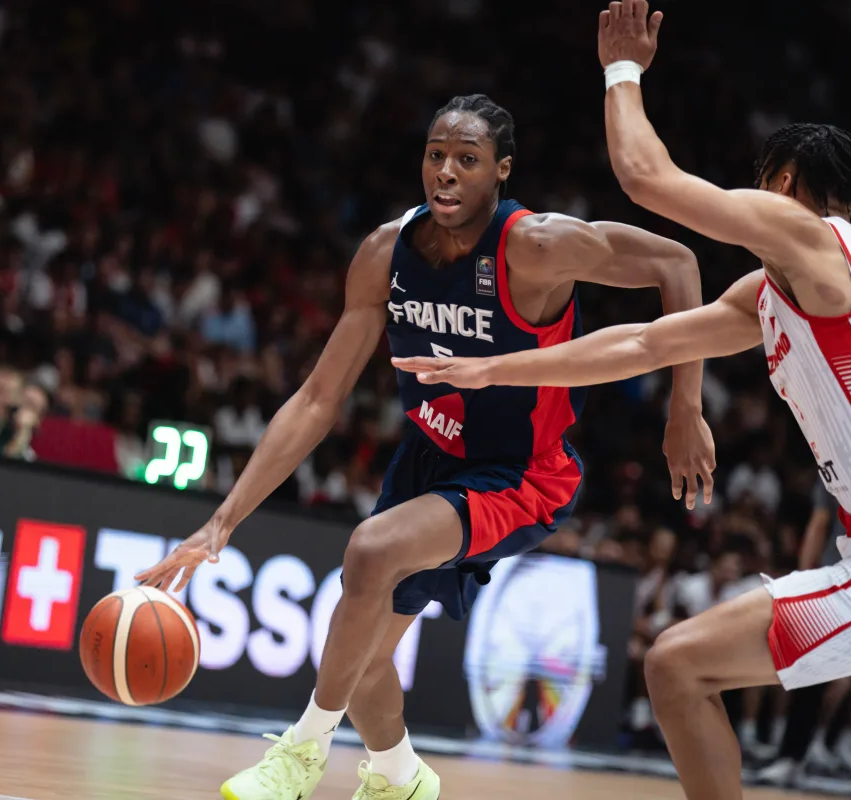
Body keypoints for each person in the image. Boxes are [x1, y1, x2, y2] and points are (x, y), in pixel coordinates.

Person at [392, 2, 851, 794]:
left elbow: (649, 179)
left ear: (782, 186)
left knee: (677, 667)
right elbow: (645, 343)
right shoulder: (777, 292)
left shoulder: (817, 241)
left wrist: (622, 71)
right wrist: (500, 367)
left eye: (761, 188)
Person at [136, 93, 714, 800]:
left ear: (500, 172)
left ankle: (302, 754)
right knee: (364, 658)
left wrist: (684, 408)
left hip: (520, 474)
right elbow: (319, 398)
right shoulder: (386, 252)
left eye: (466, 160)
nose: (445, 172)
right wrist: (222, 521)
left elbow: (678, 264)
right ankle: (401, 778)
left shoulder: (535, 247)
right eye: (435, 155)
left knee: (370, 552)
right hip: (428, 462)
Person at [756, 482, 851, 798]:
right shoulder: (833, 458)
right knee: (811, 673)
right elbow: (819, 523)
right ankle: (791, 758)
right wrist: (802, 582)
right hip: (836, 579)